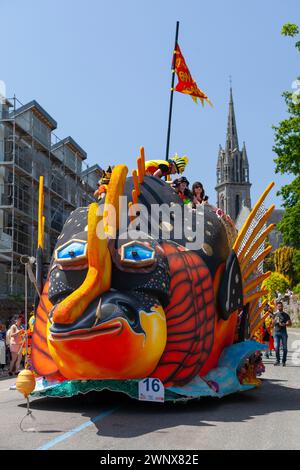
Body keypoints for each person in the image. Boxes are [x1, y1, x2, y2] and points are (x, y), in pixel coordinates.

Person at [272, 300, 292, 366]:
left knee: (285, 348)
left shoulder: (286, 315)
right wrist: (275, 321)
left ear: (282, 307)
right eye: (278, 306)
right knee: (276, 348)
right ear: (277, 307)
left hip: (283, 332)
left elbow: (290, 323)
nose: (280, 307)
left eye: (281, 306)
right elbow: (272, 325)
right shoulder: (275, 314)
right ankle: (277, 360)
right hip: (276, 332)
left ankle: (284, 361)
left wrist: (286, 324)